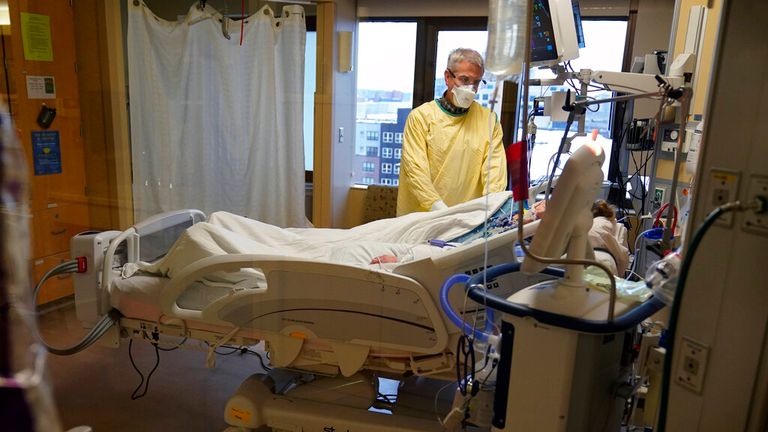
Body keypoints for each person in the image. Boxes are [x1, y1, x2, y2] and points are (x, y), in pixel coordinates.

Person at [396, 48, 507, 216]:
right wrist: (442, 212)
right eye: (464, 80)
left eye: (476, 82)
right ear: (448, 77)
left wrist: (490, 211)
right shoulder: (421, 118)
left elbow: (495, 175)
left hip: (467, 221)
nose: (471, 88)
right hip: (423, 218)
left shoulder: (489, 121)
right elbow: (416, 171)